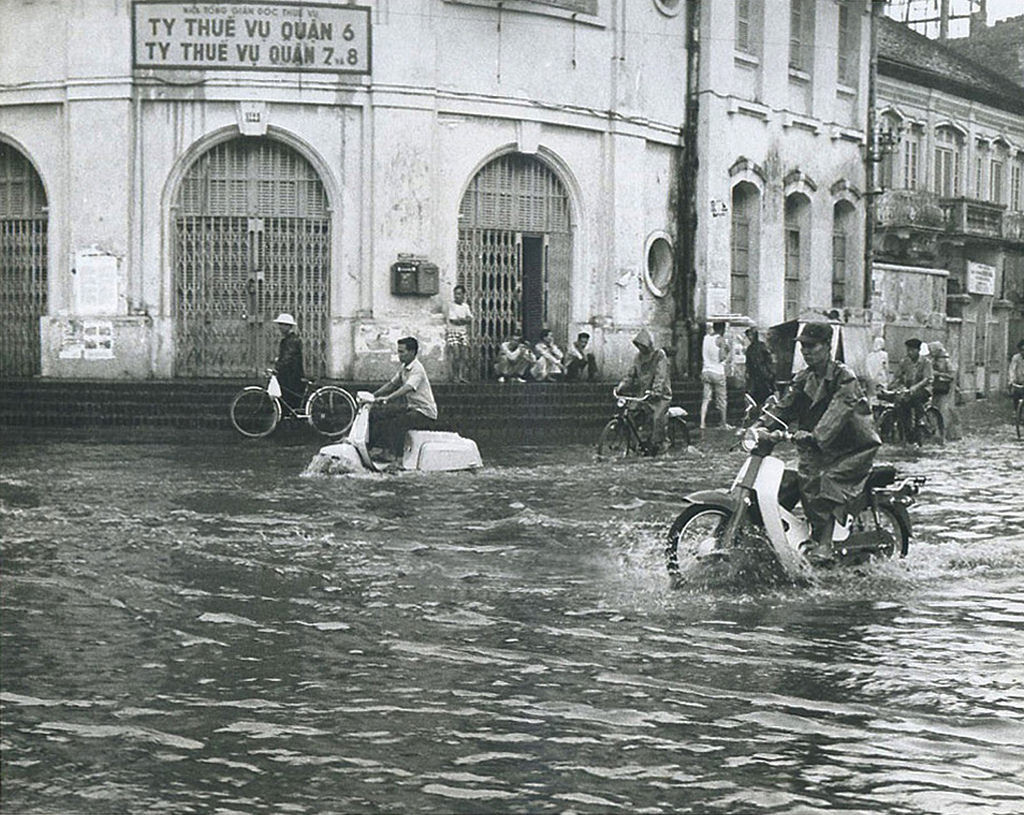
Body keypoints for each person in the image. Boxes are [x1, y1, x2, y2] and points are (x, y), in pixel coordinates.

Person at [754, 322, 881, 565]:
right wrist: (761, 426)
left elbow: (838, 411)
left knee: (826, 481)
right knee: (792, 482)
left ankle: (825, 543)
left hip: (852, 449)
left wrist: (814, 435)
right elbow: (785, 406)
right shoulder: (804, 377)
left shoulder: (845, 378)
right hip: (819, 448)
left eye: (812, 346)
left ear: (827, 347)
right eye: (803, 346)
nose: (806, 351)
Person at [369, 337, 438, 460]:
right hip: (412, 408)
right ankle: (379, 449)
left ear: (412, 352)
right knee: (380, 415)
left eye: (402, 352)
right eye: (398, 351)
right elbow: (392, 384)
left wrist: (388, 398)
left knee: (397, 423)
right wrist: (373, 395)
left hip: (425, 412)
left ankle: (397, 458)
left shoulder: (417, 369)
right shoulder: (404, 367)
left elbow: (407, 388)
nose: (399, 355)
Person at [615, 327, 672, 454]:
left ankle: (659, 444)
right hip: (643, 393)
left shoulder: (659, 355)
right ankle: (633, 444)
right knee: (631, 413)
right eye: (638, 346)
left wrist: (656, 390)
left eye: (642, 345)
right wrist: (622, 385)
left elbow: (660, 375)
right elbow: (631, 374)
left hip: (660, 394)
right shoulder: (638, 358)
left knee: (656, 417)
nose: (640, 348)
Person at [891, 337, 933, 445]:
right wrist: (890, 386)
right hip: (908, 390)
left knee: (915, 397)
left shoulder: (925, 362)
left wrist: (916, 387)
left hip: (923, 389)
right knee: (901, 405)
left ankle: (921, 418)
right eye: (908, 350)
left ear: (918, 350)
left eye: (912, 350)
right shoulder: (904, 362)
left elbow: (927, 378)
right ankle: (907, 433)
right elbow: (897, 376)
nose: (909, 352)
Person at [700, 321, 732, 430]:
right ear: (722, 329)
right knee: (722, 399)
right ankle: (723, 423)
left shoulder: (706, 338)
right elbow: (721, 357)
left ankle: (702, 423)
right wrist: (728, 352)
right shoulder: (720, 340)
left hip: (705, 371)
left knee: (705, 399)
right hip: (717, 371)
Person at [929, 340, 961, 441]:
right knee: (936, 409)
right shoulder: (933, 359)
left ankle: (947, 433)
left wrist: (939, 374)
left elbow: (952, 375)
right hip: (936, 388)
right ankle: (938, 431)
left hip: (946, 389)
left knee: (945, 410)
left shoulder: (946, 361)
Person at [272, 312, 304, 410]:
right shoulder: (288, 340)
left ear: (288, 326)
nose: (280, 327)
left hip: (292, 375)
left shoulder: (292, 340)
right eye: (279, 324)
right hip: (288, 373)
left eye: (282, 325)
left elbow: (288, 357)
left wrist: (278, 367)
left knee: (289, 397)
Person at [444, 285, 473, 383]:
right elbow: (453, 320)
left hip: (463, 332)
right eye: (455, 294)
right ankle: (455, 376)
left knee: (464, 355)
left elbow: (470, 319)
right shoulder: (451, 305)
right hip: (453, 332)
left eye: (459, 294)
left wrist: (462, 320)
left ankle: (462, 376)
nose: (457, 296)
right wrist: (463, 320)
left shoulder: (465, 306)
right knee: (456, 355)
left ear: (464, 295)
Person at [743, 327, 775, 409]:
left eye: (751, 335)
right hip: (754, 376)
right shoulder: (749, 349)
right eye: (748, 336)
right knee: (755, 396)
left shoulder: (762, 346)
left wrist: (769, 371)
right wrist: (747, 372)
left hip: (764, 374)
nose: (749, 337)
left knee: (767, 394)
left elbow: (768, 359)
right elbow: (748, 363)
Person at [864, 336, 889, 407]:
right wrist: (887, 379)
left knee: (871, 398)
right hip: (881, 378)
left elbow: (867, 369)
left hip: (871, 380)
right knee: (882, 397)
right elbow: (886, 367)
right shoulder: (884, 355)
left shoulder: (869, 356)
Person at [1010, 339, 1024, 406]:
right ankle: (1015, 411)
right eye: (1022, 350)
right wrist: (1012, 379)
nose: (1023, 352)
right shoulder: (1016, 358)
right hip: (1019, 382)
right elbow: (1012, 369)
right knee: (1016, 394)